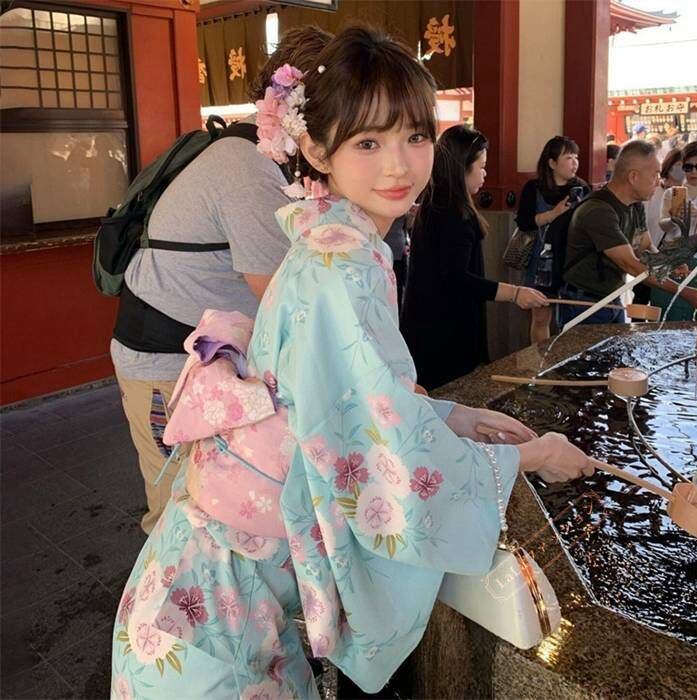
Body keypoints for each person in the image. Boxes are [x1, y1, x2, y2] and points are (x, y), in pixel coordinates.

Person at [111, 26, 596, 699]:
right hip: (219, 610)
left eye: (415, 136)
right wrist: (529, 457)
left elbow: (347, 403)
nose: (398, 166)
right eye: (368, 142)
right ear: (317, 149)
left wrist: (453, 415)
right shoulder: (341, 262)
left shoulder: (330, 235)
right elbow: (386, 457)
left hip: (211, 584)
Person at [109, 26, 332, 534]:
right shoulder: (248, 166)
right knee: (182, 510)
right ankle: (162, 588)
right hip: (165, 363)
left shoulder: (267, 159)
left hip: (204, 352)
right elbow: (280, 298)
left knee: (221, 504)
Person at [401, 126, 548, 390]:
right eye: (481, 166)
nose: (485, 173)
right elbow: (457, 280)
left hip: (429, 324)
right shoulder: (453, 214)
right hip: (443, 332)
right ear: (462, 168)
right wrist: (515, 293)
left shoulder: (437, 204)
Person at [561, 139, 697, 326]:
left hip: (611, 298)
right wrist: (685, 291)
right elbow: (631, 265)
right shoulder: (598, 210)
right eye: (654, 175)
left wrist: (668, 264)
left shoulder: (635, 205)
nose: (658, 181)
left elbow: (645, 246)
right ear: (634, 177)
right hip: (583, 301)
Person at [515, 136, 590, 344]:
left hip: (572, 261)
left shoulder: (582, 189)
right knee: (541, 318)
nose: (575, 163)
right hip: (542, 262)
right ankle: (540, 361)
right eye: (568, 157)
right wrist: (553, 214)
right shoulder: (534, 188)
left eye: (576, 157)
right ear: (552, 163)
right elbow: (524, 222)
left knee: (572, 318)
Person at [659, 140, 697, 242]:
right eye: (688, 167)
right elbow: (663, 225)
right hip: (675, 248)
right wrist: (673, 220)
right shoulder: (671, 193)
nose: (694, 171)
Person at [644, 147, 683, 248]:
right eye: (680, 165)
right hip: (650, 252)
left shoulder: (692, 197)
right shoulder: (651, 192)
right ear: (669, 166)